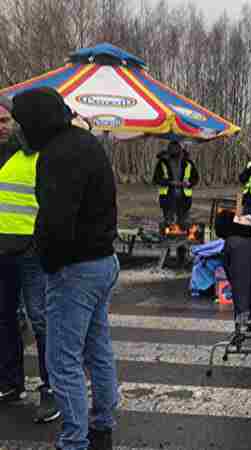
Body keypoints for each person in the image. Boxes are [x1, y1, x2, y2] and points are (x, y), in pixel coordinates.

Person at [12, 87, 119, 450]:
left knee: (62, 360)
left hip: (75, 269)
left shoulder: (57, 155)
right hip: (104, 261)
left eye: (21, 124)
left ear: (36, 123)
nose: (18, 131)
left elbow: (56, 223)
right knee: (98, 349)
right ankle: (102, 425)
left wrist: (48, 263)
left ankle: (74, 440)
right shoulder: (85, 143)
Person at [0, 95, 61, 423]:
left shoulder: (40, 152)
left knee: (40, 319)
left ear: (17, 123)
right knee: (4, 318)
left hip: (32, 252)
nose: (1, 127)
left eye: (5, 121)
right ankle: (10, 383)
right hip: (1, 251)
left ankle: (52, 390)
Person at [152, 141, 199, 228]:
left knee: (184, 224)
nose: (174, 150)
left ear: (181, 149)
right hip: (167, 198)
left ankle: (183, 239)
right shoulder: (162, 162)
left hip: (184, 198)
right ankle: (167, 240)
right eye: (172, 148)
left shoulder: (188, 162)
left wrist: (189, 183)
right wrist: (169, 182)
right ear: (168, 149)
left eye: (176, 148)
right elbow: (156, 179)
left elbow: (195, 178)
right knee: (168, 224)